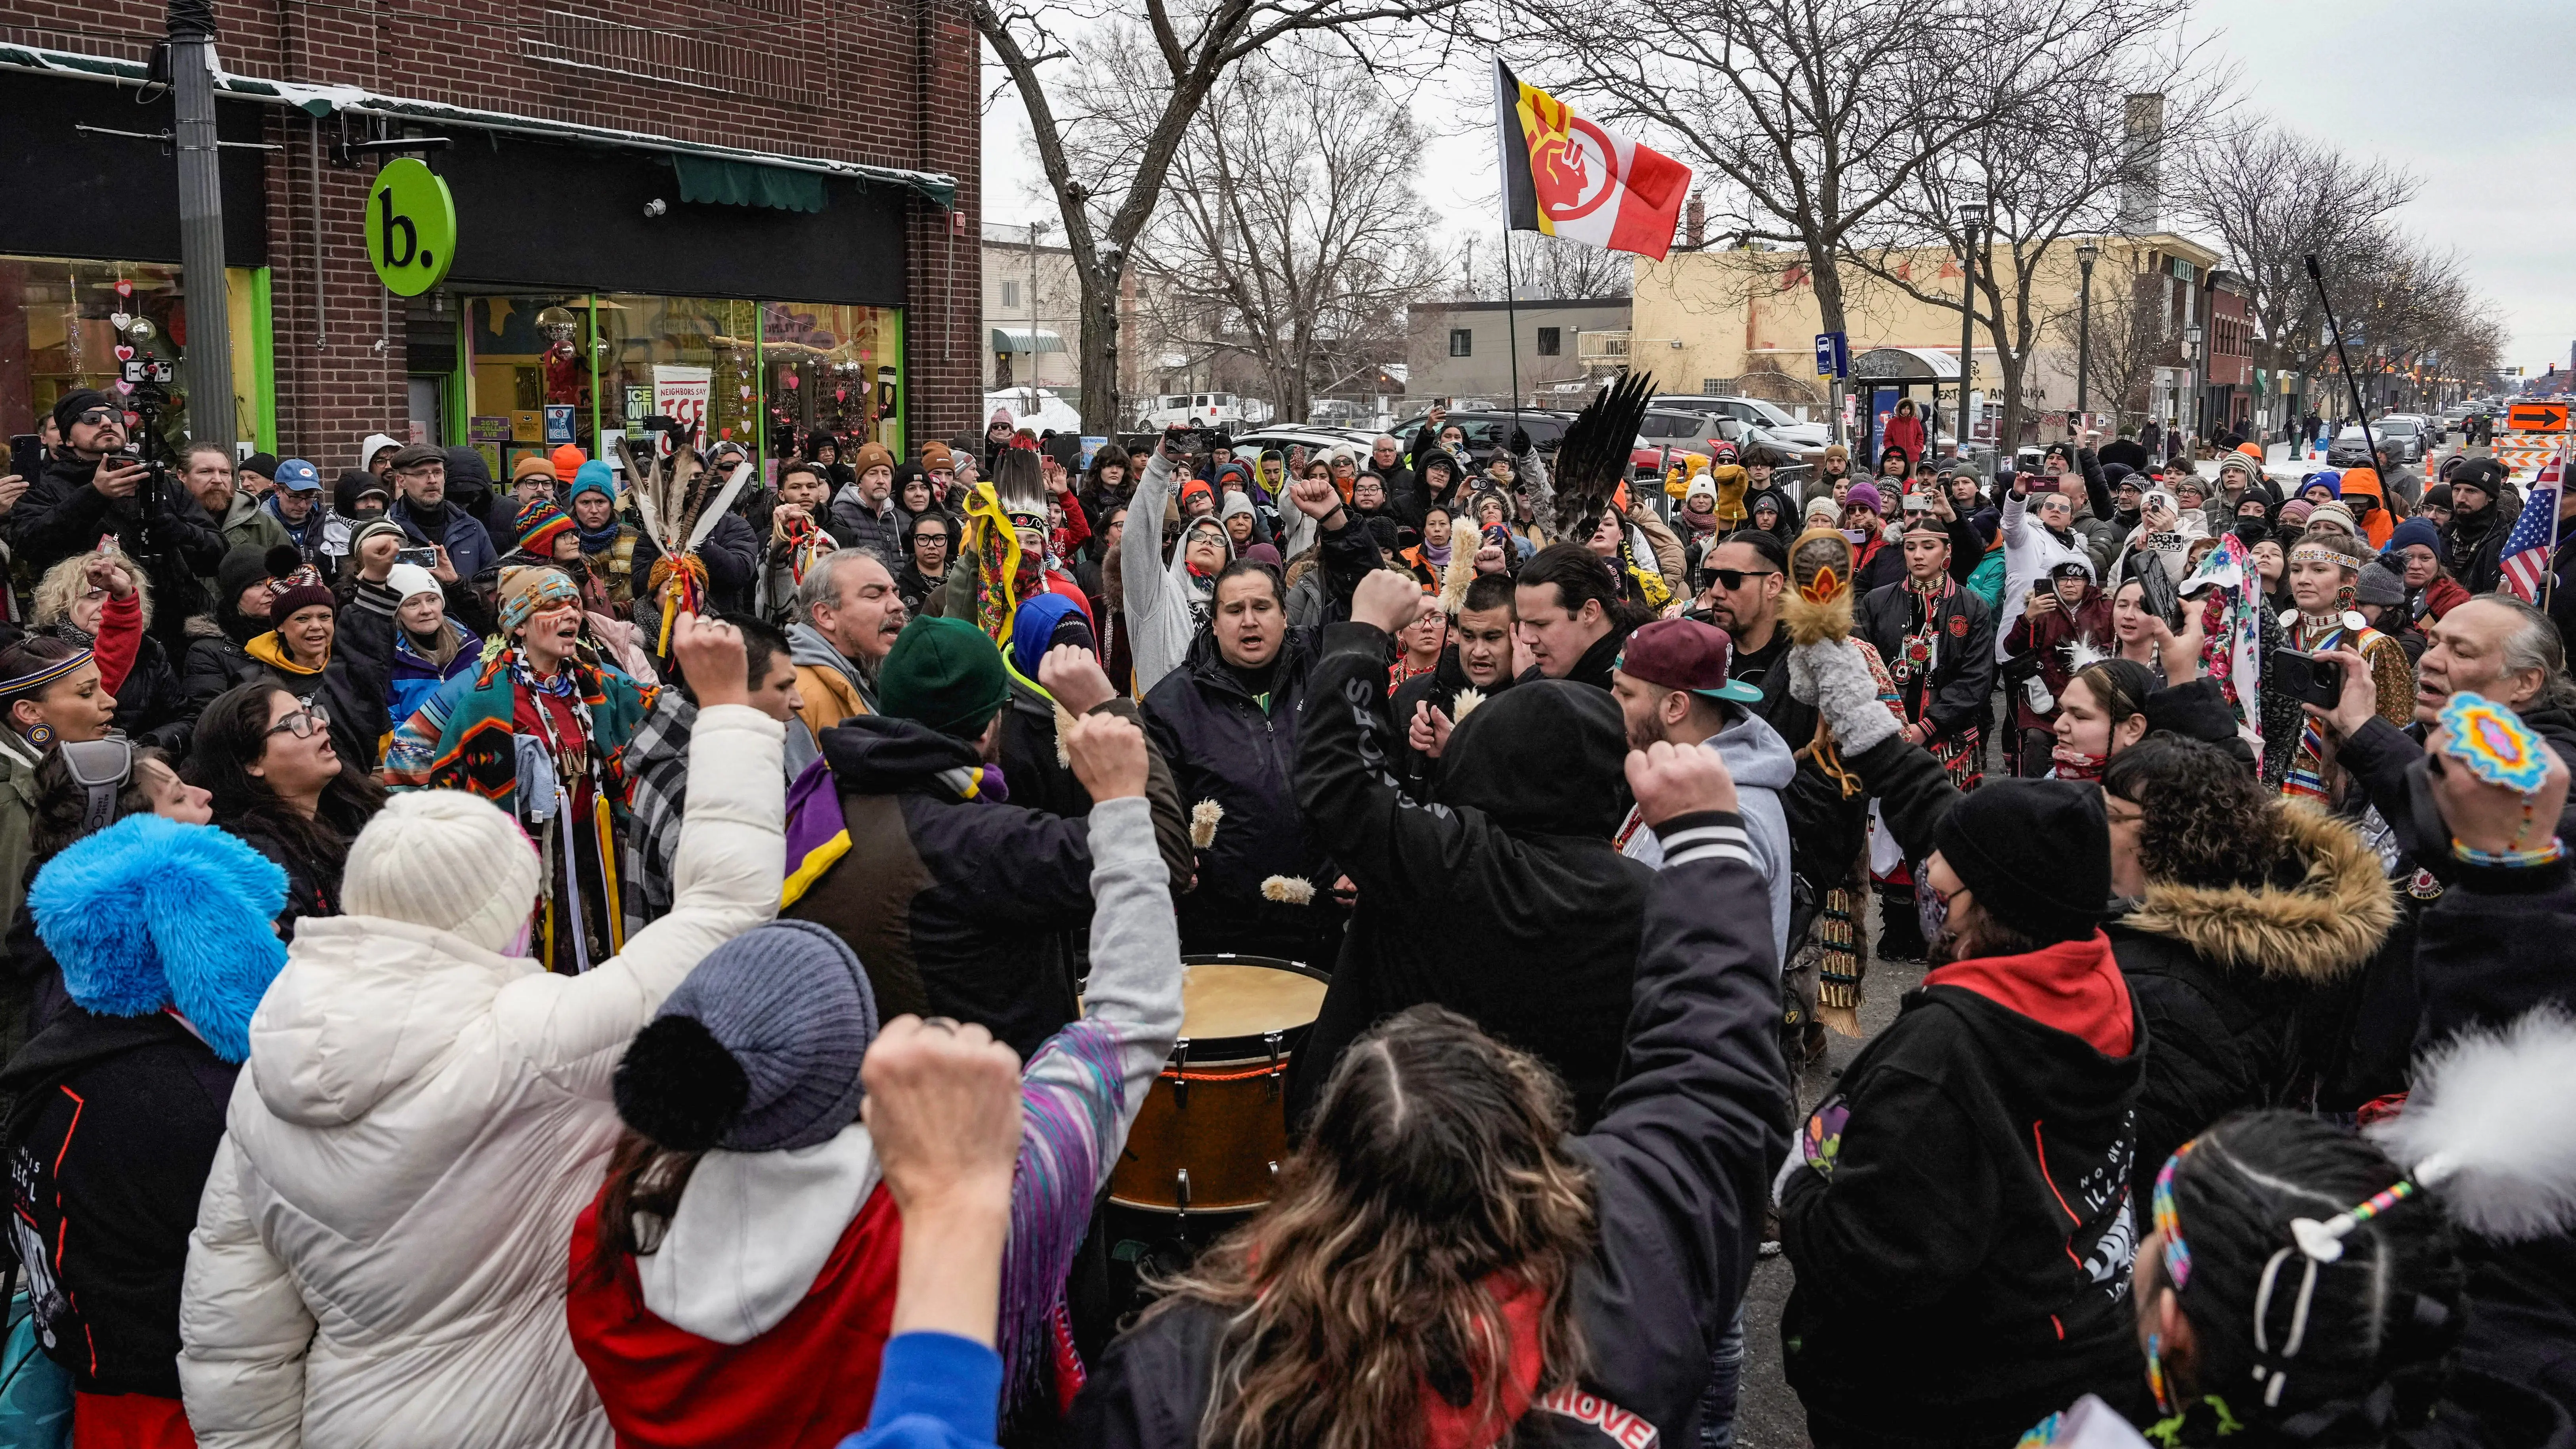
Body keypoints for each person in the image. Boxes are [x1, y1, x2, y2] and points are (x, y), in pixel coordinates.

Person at [1076, 738, 1789, 1449]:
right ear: (1534, 1148)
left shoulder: (1184, 1371)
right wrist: (1708, 843)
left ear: (1319, 1175)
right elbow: (1712, 1084)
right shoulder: (1636, 1259)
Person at [176, 617, 783, 1449]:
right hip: (529, 1421)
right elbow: (724, 914)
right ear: (502, 906)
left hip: (352, 1421)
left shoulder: (268, 1073)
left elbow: (233, 1341)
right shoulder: (536, 1038)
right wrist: (730, 712)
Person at [569, 711, 1179, 1448]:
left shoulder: (605, 1239)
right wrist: (1119, 805)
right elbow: (1127, 1025)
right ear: (852, 1084)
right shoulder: (941, 1230)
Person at [1776, 777, 2146, 1447]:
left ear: (1989, 897)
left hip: (1925, 1403)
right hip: (2042, 1361)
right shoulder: (2098, 992)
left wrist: (1801, 1185)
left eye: (1948, 861)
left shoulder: (1944, 1056)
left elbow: (1867, 1261)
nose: (1930, 873)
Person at [1290, 571, 1653, 1128]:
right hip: (1561, 1169)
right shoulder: (1647, 897)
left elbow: (1341, 783)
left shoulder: (1457, 862)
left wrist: (1362, 635)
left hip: (1420, 1147)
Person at [777, 620, 1189, 1063]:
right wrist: (1105, 707)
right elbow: (1161, 853)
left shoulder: (824, 796)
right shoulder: (978, 841)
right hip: (992, 1107)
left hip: (876, 1096)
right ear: (989, 726)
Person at [0, 811, 283, 1447]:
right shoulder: (183, 1097)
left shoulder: (65, 1054)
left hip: (102, 1386)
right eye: (246, 921)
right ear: (198, 946)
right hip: (177, 1407)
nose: (272, 934)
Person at [2097, 735, 2392, 1204]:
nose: (2096, 828)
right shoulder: (2272, 913)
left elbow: (2156, 1164)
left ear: (2170, 835)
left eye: (2113, 817)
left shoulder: (2162, 987)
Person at [383, 567, 660, 977]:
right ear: (517, 624)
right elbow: (407, 754)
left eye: (573, 604)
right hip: (522, 863)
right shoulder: (479, 688)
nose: (569, 613)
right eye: (550, 606)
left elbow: (660, 713)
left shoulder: (593, 679)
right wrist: (444, 833)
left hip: (598, 853)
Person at [1142, 477, 1376, 960]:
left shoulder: (1323, 666)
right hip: (1226, 930)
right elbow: (1152, 805)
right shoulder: (1172, 705)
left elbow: (1367, 596)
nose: (1249, 620)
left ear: (1284, 616)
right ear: (1214, 620)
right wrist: (1167, 861)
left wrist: (1335, 518)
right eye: (1234, 609)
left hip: (1328, 919)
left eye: (1262, 607)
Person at [1609, 617, 1795, 967]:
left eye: (1626, 692)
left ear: (1676, 707)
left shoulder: (1735, 817)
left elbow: (1709, 971)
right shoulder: (1682, 777)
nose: (1610, 702)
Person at [9, 391, 226, 650]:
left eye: (114, 416)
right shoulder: (44, 490)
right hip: (89, 634)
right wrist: (94, 495)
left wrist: (180, 531)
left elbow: (219, 555)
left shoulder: (162, 485)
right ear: (67, 438)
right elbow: (30, 543)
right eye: (90, 419)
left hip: (174, 632)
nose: (105, 423)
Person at [185, 681, 389, 936]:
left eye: (310, 714)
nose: (320, 724)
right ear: (251, 762)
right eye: (295, 723)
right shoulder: (256, 865)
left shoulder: (349, 813)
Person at [234, 543, 402, 774]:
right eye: (302, 619)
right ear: (280, 626)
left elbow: (367, 650)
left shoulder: (349, 669)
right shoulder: (254, 683)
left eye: (325, 617)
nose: (317, 627)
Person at [1858, 511, 1995, 788]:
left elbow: (1977, 678)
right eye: (1911, 548)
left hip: (1950, 735)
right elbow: (1860, 667)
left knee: (1945, 822)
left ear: (1947, 551)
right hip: (1886, 731)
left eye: (1928, 547)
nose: (1918, 555)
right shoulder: (1877, 601)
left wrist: (1927, 727)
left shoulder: (1971, 607)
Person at [2276, 539, 2411, 803]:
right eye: (2296, 570)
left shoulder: (2375, 646)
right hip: (2271, 786)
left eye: (2318, 570)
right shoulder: (2277, 637)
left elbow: (2394, 737)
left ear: (2348, 581)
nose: (2303, 579)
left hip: (2337, 798)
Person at [30, 548, 185, 750]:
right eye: (93, 597)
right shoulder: (37, 654)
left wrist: (147, 746)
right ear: (63, 603)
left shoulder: (150, 652)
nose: (105, 607)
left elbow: (184, 720)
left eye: (114, 597)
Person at [2003, 560, 2112, 777]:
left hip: (2092, 696)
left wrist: (2089, 654)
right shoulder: (2042, 606)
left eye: (2077, 579)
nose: (2070, 584)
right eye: (2063, 579)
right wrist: (2028, 618)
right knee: (2035, 739)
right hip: (2045, 699)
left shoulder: (2106, 608)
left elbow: (2118, 644)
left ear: (2088, 583)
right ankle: (2034, 799)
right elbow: (2012, 648)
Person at [789, 549, 907, 749]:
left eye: (895, 593)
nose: (898, 605)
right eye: (874, 596)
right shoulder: (796, 696)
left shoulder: (887, 671)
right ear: (825, 615)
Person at [1515, 542, 1644, 689]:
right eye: (1525, 623)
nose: (1526, 638)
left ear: (1590, 612)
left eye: (1541, 624)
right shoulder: (1537, 680)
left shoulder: (1638, 692)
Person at [384, 560, 482, 730]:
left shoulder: (471, 647)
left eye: (432, 600)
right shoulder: (387, 659)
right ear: (396, 612)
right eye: (413, 604)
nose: (426, 610)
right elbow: (389, 723)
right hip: (417, 752)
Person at [384, 443, 499, 586]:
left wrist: (458, 586)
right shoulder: (389, 528)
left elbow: (491, 586)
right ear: (402, 481)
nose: (432, 480)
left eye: (438, 472)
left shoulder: (471, 527)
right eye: (422, 473)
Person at [564, 461, 659, 618]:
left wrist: (626, 608)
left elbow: (650, 586)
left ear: (611, 504)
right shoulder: (565, 543)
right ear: (575, 505)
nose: (594, 510)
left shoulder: (633, 539)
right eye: (585, 503)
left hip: (631, 626)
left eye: (600, 502)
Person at [181, 442, 293, 560]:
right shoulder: (168, 521)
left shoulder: (265, 526)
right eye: (206, 472)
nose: (218, 480)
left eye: (225, 473)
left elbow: (292, 576)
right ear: (182, 476)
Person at [2441, 459, 2511, 595]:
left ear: (2490, 496)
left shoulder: (2507, 543)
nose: (2460, 498)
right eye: (2456, 489)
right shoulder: (2441, 536)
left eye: (2471, 491)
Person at [831, 442, 904, 566]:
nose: (881, 480)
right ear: (860, 481)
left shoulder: (902, 520)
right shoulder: (839, 517)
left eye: (886, 474)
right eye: (873, 473)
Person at [261, 457, 329, 568]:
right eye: (295, 496)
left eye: (309, 497)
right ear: (278, 490)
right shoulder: (261, 525)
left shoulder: (328, 522)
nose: (303, 505)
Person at [896, 512, 956, 620]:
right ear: (912, 542)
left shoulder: (962, 581)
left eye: (939, 539)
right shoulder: (900, 589)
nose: (931, 546)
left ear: (949, 541)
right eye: (923, 539)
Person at [1882, 398, 1928, 468]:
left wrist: (1916, 449)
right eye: (1904, 408)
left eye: (1908, 408)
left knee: (1912, 478)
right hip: (1897, 458)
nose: (1906, 411)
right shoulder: (1892, 422)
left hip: (1913, 457)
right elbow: (1887, 439)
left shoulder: (1915, 421)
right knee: (1898, 477)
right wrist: (1893, 450)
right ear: (1900, 409)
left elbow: (1920, 437)